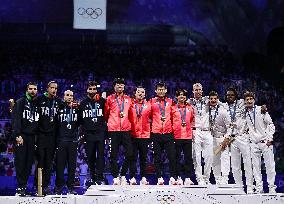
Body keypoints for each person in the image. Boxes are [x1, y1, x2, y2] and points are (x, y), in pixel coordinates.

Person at [244, 91, 276, 193]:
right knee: (256, 167)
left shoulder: (261, 110)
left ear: (254, 100)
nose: (249, 101)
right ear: (244, 101)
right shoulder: (244, 113)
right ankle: (259, 188)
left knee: (270, 166)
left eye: (250, 99)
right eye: (247, 99)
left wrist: (270, 139)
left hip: (265, 142)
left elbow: (271, 124)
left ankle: (271, 187)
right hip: (253, 143)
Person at [222, 87, 253, 193]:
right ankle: (239, 187)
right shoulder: (223, 106)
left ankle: (250, 187)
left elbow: (250, 101)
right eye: (228, 95)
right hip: (232, 138)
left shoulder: (241, 103)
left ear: (235, 96)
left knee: (247, 163)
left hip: (243, 136)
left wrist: (260, 107)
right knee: (235, 165)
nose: (230, 97)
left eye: (232, 95)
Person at [12, 82, 39, 196]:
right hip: (22, 136)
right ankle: (20, 187)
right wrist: (17, 135)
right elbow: (16, 119)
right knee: (21, 162)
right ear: (27, 90)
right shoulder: (21, 102)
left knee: (28, 163)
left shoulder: (37, 103)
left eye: (35, 89)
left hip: (32, 137)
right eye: (31, 89)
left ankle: (23, 186)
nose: (33, 91)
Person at [104, 78, 133, 185]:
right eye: (117, 84)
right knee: (113, 155)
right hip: (113, 130)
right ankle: (115, 177)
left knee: (130, 154)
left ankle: (123, 174)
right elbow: (106, 114)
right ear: (114, 87)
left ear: (124, 87)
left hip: (126, 130)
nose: (120, 86)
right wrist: (112, 123)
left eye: (122, 84)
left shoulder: (129, 99)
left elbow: (131, 114)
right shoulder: (109, 99)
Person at [36, 81, 61, 195]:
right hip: (41, 136)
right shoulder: (39, 100)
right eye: (52, 88)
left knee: (49, 163)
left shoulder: (58, 102)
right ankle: (38, 186)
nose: (54, 90)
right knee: (40, 161)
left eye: (56, 88)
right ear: (47, 88)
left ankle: (46, 186)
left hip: (52, 137)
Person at [80, 81, 106, 185]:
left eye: (94, 89)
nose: (92, 91)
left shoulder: (102, 101)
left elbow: (107, 115)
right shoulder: (82, 103)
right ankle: (92, 176)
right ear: (87, 90)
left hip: (100, 133)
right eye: (90, 89)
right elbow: (81, 120)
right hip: (88, 134)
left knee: (100, 156)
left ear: (96, 90)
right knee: (90, 156)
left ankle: (100, 177)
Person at [150, 81, 176, 185]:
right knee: (157, 157)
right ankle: (159, 177)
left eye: (163, 89)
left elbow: (175, 116)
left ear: (166, 90)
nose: (161, 91)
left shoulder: (171, 102)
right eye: (159, 89)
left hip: (168, 132)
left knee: (172, 156)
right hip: (156, 133)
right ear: (156, 90)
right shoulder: (151, 101)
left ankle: (172, 177)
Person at [54, 90, 80, 195]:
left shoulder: (77, 109)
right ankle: (59, 186)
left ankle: (70, 187)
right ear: (63, 96)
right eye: (67, 95)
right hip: (61, 141)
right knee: (60, 165)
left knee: (72, 166)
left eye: (71, 96)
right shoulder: (58, 108)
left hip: (73, 141)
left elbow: (81, 123)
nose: (69, 97)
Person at [188, 83, 212, 185]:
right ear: (193, 91)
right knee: (196, 156)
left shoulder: (208, 100)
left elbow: (221, 104)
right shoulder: (188, 102)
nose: (198, 91)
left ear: (202, 91)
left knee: (209, 156)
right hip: (195, 130)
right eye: (196, 90)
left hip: (207, 131)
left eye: (199, 89)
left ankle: (206, 178)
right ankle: (199, 178)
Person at [128, 86, 151, 185]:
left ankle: (143, 177)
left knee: (143, 158)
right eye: (138, 92)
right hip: (133, 135)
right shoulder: (130, 104)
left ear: (145, 94)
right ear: (135, 94)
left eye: (142, 92)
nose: (140, 93)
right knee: (133, 157)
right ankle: (132, 177)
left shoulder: (149, 105)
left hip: (145, 135)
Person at [208, 91, 232, 185]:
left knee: (225, 159)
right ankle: (217, 179)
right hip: (212, 138)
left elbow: (230, 126)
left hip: (223, 138)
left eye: (215, 98)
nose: (213, 100)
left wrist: (227, 138)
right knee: (215, 160)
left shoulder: (223, 111)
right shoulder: (206, 110)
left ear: (217, 100)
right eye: (211, 98)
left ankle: (225, 179)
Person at [172, 89, 194, 185]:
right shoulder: (172, 108)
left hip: (188, 136)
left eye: (184, 95)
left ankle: (188, 178)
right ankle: (177, 177)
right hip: (176, 136)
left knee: (188, 158)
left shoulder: (190, 108)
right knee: (176, 158)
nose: (182, 97)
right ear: (176, 97)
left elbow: (192, 120)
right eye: (180, 95)